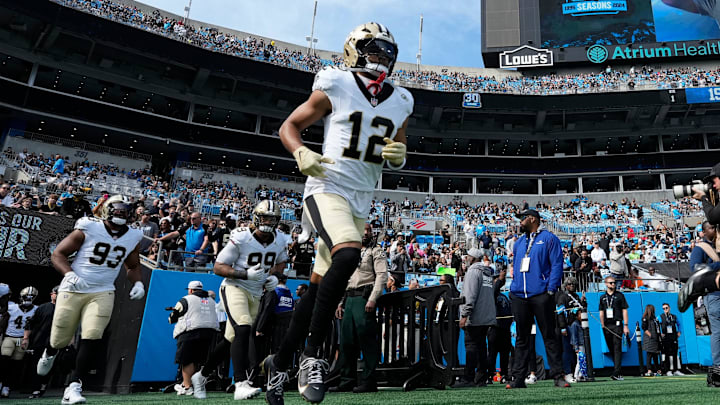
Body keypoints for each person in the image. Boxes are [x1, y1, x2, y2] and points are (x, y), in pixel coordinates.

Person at [265, 21, 413, 405]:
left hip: (360, 199)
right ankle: (312, 357)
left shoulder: (402, 100)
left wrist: (399, 156)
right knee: (348, 253)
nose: (381, 58)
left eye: (386, 53)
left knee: (316, 290)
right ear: (355, 49)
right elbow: (290, 125)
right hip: (327, 187)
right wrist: (300, 151)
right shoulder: (336, 82)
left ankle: (278, 364)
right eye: (374, 50)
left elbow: (398, 146)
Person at [36, 195, 146, 405]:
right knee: (60, 338)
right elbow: (58, 254)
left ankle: (74, 386)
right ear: (107, 210)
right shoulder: (89, 227)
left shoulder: (133, 236)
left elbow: (132, 266)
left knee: (92, 335)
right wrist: (69, 274)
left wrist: (138, 283)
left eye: (126, 210)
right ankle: (50, 352)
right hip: (74, 288)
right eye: (118, 209)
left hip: (103, 290)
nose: (122, 213)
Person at [190, 200, 287, 400]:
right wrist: (244, 274)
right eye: (265, 217)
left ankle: (201, 376)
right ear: (256, 217)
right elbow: (218, 267)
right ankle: (241, 383)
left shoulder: (280, 239)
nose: (268, 222)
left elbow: (280, 262)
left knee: (231, 339)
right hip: (235, 286)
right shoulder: (242, 237)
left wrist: (276, 277)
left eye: (272, 218)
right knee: (243, 328)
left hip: (256, 293)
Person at [506, 209, 568, 389]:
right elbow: (515, 264)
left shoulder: (549, 238)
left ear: (532, 219)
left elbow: (557, 263)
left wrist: (551, 289)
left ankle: (558, 376)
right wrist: (514, 286)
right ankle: (518, 378)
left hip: (541, 294)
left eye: (522, 219)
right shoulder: (519, 243)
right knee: (521, 338)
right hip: (519, 295)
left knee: (549, 335)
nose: (520, 222)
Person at [332, 224, 387, 393]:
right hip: (349, 298)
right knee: (347, 341)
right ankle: (347, 380)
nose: (365, 233)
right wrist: (340, 302)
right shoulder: (351, 251)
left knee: (367, 340)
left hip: (364, 297)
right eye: (363, 230)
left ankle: (369, 381)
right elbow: (343, 277)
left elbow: (382, 276)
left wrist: (372, 298)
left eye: (368, 230)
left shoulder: (376, 250)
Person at [168, 281, 219, 396]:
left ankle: (187, 386)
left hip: (190, 332)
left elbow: (172, 318)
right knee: (198, 360)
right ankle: (196, 385)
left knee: (186, 360)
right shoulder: (211, 300)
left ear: (190, 290)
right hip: (209, 333)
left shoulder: (185, 299)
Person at [457, 248, 496, 388]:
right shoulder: (487, 273)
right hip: (487, 317)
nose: (465, 259)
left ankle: (468, 378)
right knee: (481, 348)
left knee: (471, 347)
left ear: (473, 258)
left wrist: (464, 315)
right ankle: (480, 379)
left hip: (475, 316)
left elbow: (470, 295)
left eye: (467, 256)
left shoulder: (473, 272)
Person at [688, 221, 720, 386]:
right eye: (712, 227)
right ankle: (717, 369)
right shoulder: (701, 248)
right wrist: (717, 264)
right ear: (704, 231)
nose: (715, 230)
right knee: (718, 332)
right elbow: (695, 268)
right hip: (714, 294)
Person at [0, 286, 38, 398]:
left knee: (15, 364)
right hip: (9, 337)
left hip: (22, 339)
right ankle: (1, 383)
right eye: (26, 297)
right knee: (3, 360)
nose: (28, 299)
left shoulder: (36, 309)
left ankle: (7, 386)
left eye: (31, 297)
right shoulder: (11, 306)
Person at [25, 286, 58, 398]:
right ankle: (35, 389)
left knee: (48, 365)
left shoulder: (64, 309)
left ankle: (43, 386)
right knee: (36, 365)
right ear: (51, 294)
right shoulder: (43, 307)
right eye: (56, 293)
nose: (57, 295)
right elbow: (30, 323)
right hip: (40, 340)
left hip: (54, 340)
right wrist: (25, 338)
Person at [598, 275, 629, 381]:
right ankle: (616, 369)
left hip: (617, 325)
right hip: (607, 325)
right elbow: (601, 312)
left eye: (614, 283)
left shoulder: (620, 296)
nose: (613, 284)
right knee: (611, 348)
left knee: (617, 348)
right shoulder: (602, 297)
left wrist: (625, 325)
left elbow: (624, 310)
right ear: (606, 284)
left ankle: (617, 372)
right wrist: (602, 323)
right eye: (611, 283)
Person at [556, 276, 585, 384]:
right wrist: (563, 327)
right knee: (567, 350)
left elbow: (582, 310)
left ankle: (579, 373)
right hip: (567, 326)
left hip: (577, 326)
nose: (571, 286)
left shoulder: (577, 297)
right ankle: (567, 373)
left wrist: (583, 302)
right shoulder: (562, 297)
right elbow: (560, 313)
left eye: (573, 284)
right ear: (565, 286)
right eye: (569, 284)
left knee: (578, 351)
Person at [659, 303, 684, 376]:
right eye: (663, 308)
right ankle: (668, 370)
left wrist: (679, 331)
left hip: (673, 336)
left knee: (674, 353)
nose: (665, 309)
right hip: (665, 338)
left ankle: (676, 370)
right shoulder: (660, 317)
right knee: (666, 354)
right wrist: (660, 333)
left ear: (669, 308)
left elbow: (679, 324)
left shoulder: (674, 316)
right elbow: (656, 324)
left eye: (666, 308)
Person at [642, 304, 662, 377]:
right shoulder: (646, 318)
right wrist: (650, 335)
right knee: (649, 355)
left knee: (655, 355)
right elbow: (644, 328)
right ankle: (649, 370)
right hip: (649, 339)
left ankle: (658, 370)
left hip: (655, 339)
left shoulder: (654, 318)